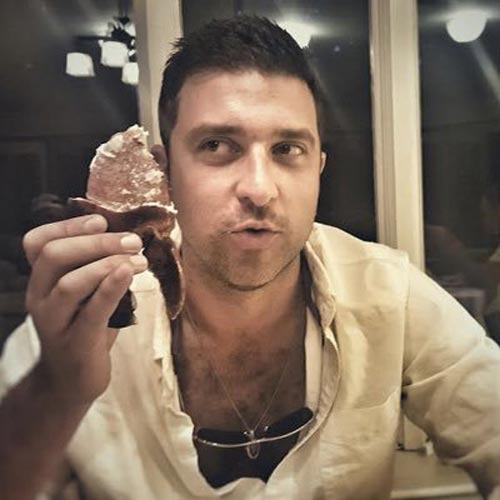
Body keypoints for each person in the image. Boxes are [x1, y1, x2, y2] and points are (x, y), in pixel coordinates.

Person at [1, 15, 500, 500]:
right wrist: (58, 389)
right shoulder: (90, 314)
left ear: (318, 169)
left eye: (287, 149)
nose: (259, 189)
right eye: (217, 145)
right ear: (165, 173)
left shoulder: (388, 291)